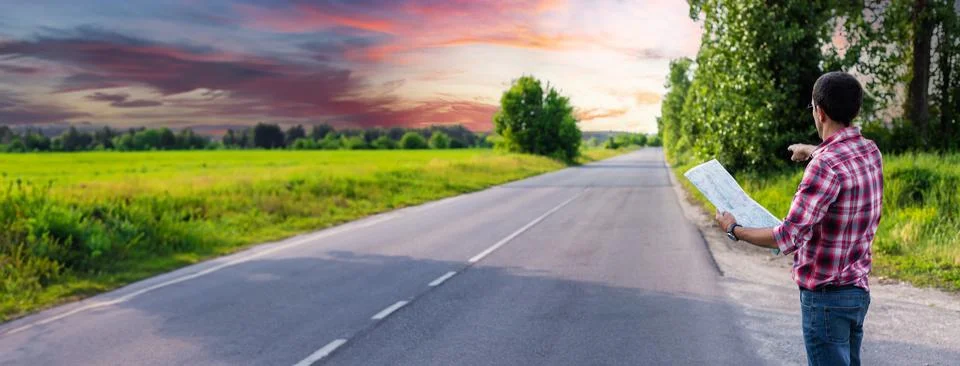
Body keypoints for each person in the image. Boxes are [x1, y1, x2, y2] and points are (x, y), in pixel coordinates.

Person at [714, 71, 883, 366]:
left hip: (826, 301)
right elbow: (841, 158)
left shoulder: (824, 167)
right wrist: (812, 150)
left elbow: (787, 237)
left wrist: (734, 228)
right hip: (856, 293)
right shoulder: (870, 151)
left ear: (819, 111)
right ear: (854, 110)